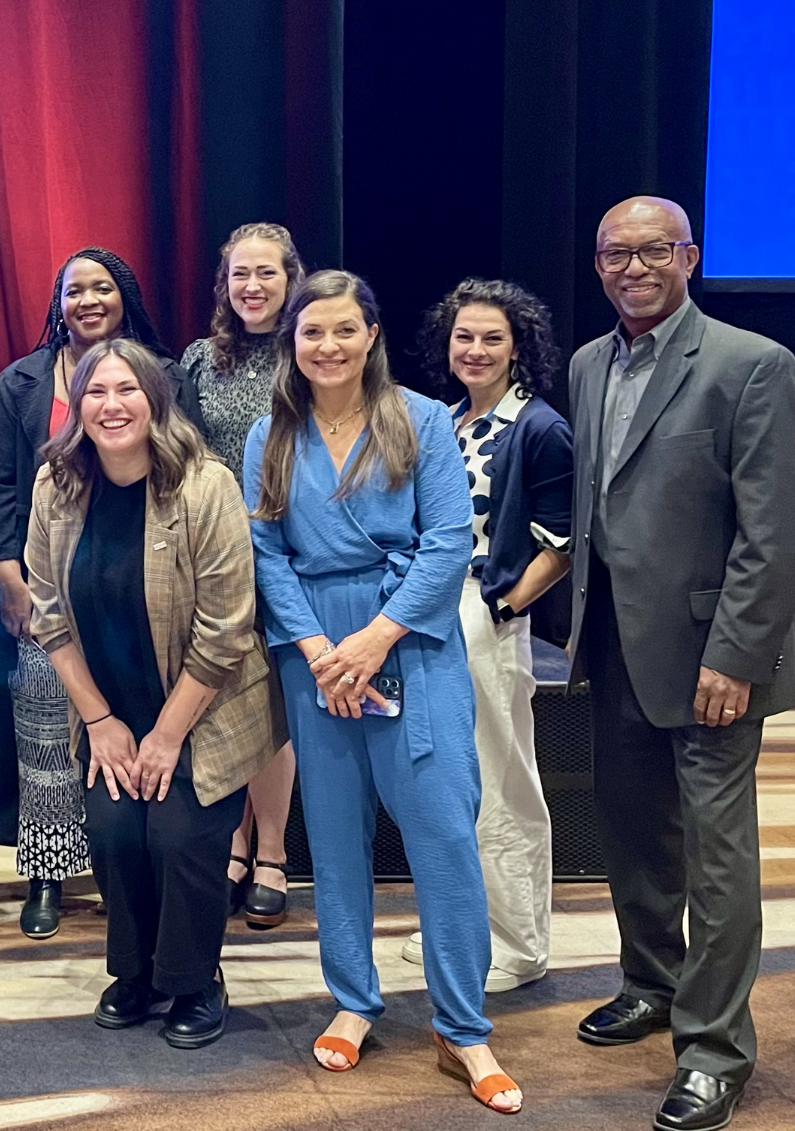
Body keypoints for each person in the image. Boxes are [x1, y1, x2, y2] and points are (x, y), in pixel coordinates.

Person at [244, 269, 520, 1114]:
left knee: (442, 832)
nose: (326, 347)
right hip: (314, 648)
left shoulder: (424, 420)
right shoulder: (270, 433)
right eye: (310, 333)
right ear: (292, 343)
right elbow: (267, 554)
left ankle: (463, 1025)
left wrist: (375, 638)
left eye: (342, 330)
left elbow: (446, 543)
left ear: (371, 334)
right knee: (332, 835)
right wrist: (322, 648)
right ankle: (355, 998)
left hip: (410, 638)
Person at [567, 197, 795, 1131]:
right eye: (615, 253)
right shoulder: (588, 364)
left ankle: (714, 1048)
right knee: (632, 833)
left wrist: (737, 652)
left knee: (717, 855)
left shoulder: (752, 364)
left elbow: (771, 531)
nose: (633, 267)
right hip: (614, 644)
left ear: (690, 256)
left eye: (653, 250)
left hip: (711, 656)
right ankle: (650, 982)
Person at [26, 339, 279, 1047]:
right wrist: (100, 720)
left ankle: (195, 978)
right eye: (96, 392)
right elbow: (47, 613)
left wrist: (166, 736)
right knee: (111, 827)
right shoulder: (58, 485)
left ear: (156, 398)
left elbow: (226, 631)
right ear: (77, 405)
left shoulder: (204, 484)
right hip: (111, 708)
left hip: (205, 706)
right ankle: (135, 972)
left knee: (175, 833)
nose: (112, 405)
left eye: (127, 389)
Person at [0, 247, 203, 937]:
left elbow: (188, 462)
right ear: (58, 303)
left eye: (101, 287)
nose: (87, 300)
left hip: (147, 591)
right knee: (47, 730)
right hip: (49, 591)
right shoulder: (19, 382)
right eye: (74, 290)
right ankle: (49, 869)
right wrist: (10, 576)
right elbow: (0, 489)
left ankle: (131, 881)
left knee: (140, 736)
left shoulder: (163, 376)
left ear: (124, 296)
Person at [407, 279, 572, 993]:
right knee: (446, 787)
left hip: (482, 616)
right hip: (428, 615)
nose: (475, 350)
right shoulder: (442, 419)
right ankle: (461, 926)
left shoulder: (537, 427)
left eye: (491, 338)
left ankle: (520, 942)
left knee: (502, 784)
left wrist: (503, 609)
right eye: (464, 337)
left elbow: (563, 543)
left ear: (518, 347)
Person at [180, 222, 306, 930]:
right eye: (239, 275)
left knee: (275, 705)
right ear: (224, 285)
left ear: (290, 277)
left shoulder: (310, 351)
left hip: (289, 546)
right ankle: (230, 840)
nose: (252, 287)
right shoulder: (200, 359)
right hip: (212, 549)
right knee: (223, 696)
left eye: (266, 273)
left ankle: (271, 851)